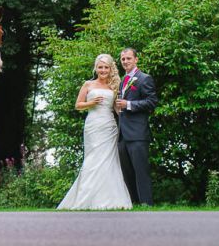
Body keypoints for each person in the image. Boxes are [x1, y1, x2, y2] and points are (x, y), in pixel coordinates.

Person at [58, 53, 133, 210]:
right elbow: (78, 105)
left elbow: (115, 109)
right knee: (93, 159)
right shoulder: (88, 84)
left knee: (109, 160)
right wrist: (91, 102)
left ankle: (110, 200)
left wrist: (125, 112)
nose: (103, 70)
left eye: (106, 67)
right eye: (100, 67)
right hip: (93, 126)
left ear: (110, 69)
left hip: (109, 126)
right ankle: (85, 198)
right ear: (96, 68)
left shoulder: (114, 86)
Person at [115, 47, 158, 206]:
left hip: (138, 134)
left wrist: (129, 104)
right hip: (123, 135)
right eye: (123, 59)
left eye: (128, 58)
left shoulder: (144, 78)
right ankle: (132, 203)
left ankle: (146, 204)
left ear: (136, 59)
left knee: (141, 171)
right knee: (127, 172)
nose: (125, 61)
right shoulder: (122, 81)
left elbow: (152, 102)